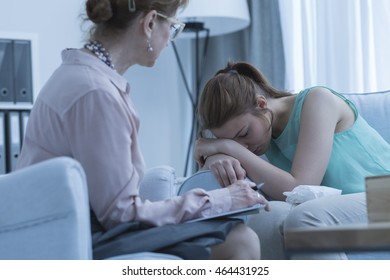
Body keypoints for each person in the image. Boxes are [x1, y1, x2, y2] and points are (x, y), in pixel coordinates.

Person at [15, 1, 269, 260]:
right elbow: (121, 214)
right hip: (72, 237)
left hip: (61, 228)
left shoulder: (82, 76)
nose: (170, 38)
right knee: (239, 240)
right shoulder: (96, 93)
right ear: (149, 23)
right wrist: (221, 199)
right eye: (172, 26)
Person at [195, 61, 390, 259]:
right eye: (230, 140)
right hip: (357, 210)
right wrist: (218, 154)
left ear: (261, 104)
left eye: (244, 133)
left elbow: (300, 187)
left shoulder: (318, 100)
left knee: (305, 219)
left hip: (383, 194)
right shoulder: (264, 137)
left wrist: (228, 147)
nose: (243, 146)